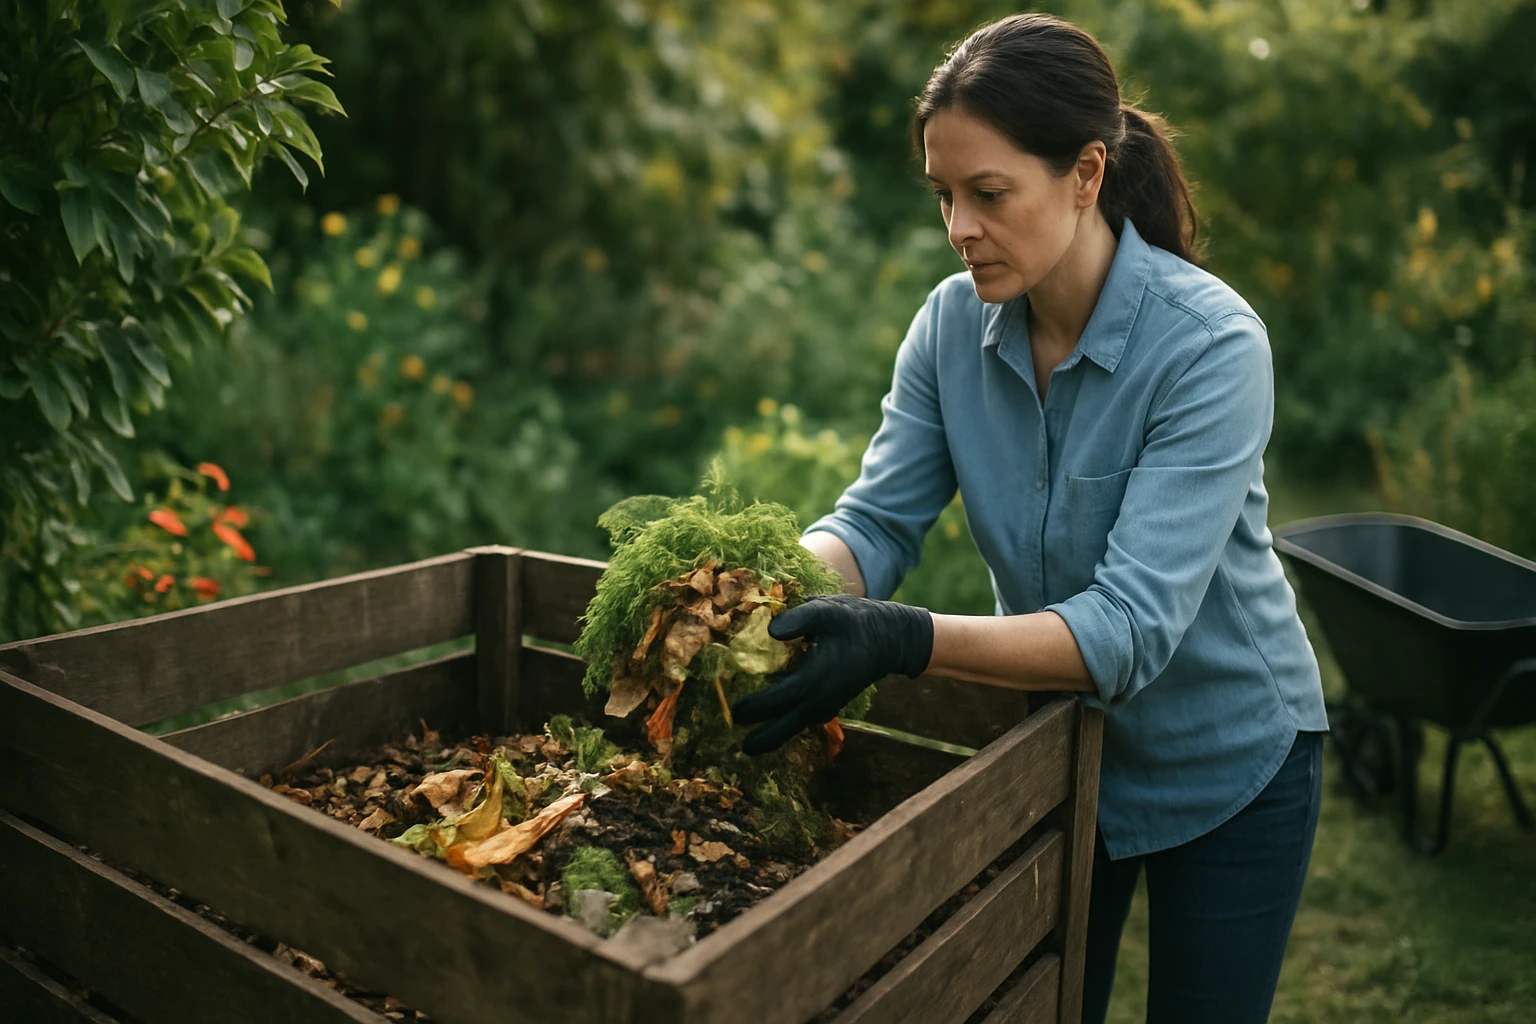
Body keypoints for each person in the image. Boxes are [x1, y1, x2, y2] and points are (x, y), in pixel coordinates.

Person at [729, 13, 1328, 1024]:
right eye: (944, 197)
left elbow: (1129, 628)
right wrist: (758, 593)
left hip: (1233, 766)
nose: (958, 227)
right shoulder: (950, 328)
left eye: (988, 194)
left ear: (1086, 174)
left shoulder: (1212, 348)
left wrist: (906, 640)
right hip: (1065, 749)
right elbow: (875, 523)